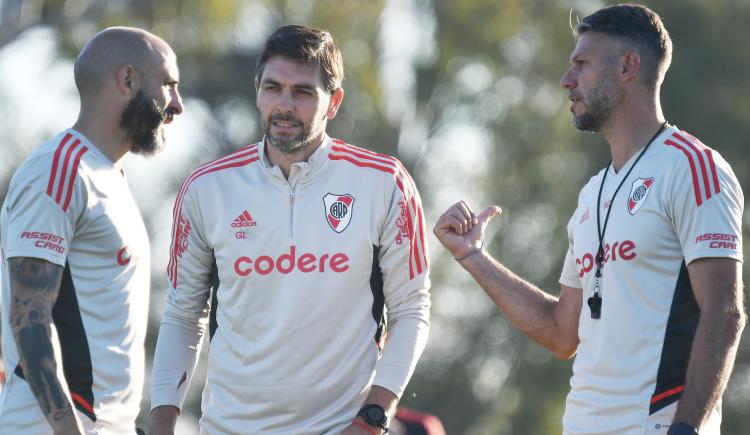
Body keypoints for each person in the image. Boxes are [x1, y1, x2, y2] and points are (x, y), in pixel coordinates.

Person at [433, 4, 745, 435]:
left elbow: (724, 312)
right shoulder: (592, 193)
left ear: (627, 67)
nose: (567, 80)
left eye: (581, 64)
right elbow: (563, 333)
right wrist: (473, 256)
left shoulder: (693, 168)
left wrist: (686, 428)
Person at [149, 24, 431, 435]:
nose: (284, 105)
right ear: (257, 89)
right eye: (273, 88)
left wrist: (372, 419)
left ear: (333, 102)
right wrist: (161, 426)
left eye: (302, 92)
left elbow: (412, 311)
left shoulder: (385, 182)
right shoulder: (207, 188)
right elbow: (182, 315)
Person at [0, 27, 183, 434]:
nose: (178, 105)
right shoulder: (59, 169)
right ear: (128, 80)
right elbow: (29, 316)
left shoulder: (108, 176)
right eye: (169, 85)